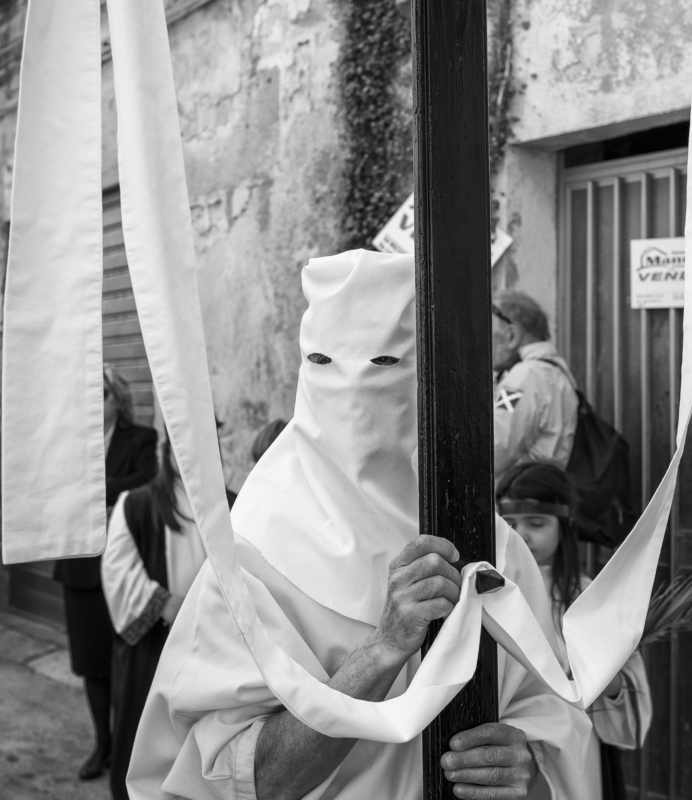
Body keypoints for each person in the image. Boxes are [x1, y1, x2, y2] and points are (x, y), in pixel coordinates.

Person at [126, 250, 593, 799]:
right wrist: (382, 650)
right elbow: (233, 779)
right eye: (324, 362)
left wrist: (525, 767)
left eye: (385, 363)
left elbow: (553, 722)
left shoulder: (495, 549)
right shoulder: (254, 555)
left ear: (430, 381)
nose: (352, 392)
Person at [496, 461, 651, 800]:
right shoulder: (489, 591)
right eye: (510, 523)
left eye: (536, 523)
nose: (522, 535)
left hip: (572, 746)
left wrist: (601, 676)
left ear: (564, 526)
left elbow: (626, 694)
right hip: (506, 748)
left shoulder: (589, 597)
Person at [53, 365, 158, 781]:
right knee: (91, 664)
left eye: (102, 395)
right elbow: (57, 489)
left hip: (128, 567)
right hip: (80, 566)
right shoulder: (70, 442)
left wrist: (96, 488)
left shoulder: (142, 438)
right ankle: (103, 744)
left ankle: (130, 747)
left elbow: (146, 481)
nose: (95, 404)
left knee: (127, 664)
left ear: (119, 399)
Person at [102, 436, 207, 800]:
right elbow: (116, 569)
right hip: (154, 645)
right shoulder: (137, 504)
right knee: (145, 735)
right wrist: (162, 603)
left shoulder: (229, 503)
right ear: (168, 451)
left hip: (210, 645)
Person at [491, 290, 578, 481]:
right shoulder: (556, 372)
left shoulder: (524, 377)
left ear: (511, 336)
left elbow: (493, 451)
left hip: (517, 494)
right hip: (544, 490)